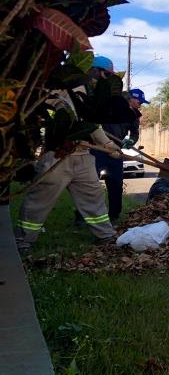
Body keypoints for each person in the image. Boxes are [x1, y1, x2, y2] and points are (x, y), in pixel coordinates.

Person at [16, 91, 122, 251]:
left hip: (84, 157)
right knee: (40, 199)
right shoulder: (54, 93)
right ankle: (24, 239)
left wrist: (108, 144)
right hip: (57, 157)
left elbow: (90, 125)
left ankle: (105, 235)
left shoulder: (86, 96)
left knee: (93, 197)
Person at [85, 57, 141, 223]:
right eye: (139, 101)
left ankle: (114, 216)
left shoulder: (134, 116)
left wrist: (131, 141)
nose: (140, 104)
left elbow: (135, 133)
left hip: (116, 152)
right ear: (131, 98)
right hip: (97, 149)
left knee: (116, 184)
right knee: (89, 185)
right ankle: (82, 217)